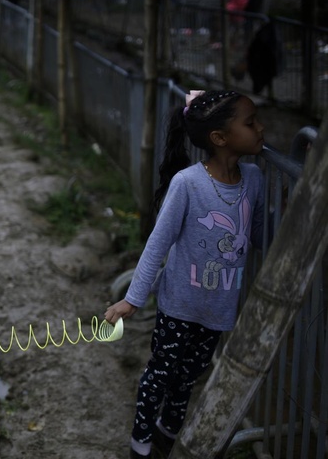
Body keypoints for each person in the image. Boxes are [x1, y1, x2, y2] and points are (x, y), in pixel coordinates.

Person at [103, 90, 265, 459]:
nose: (261, 128)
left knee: (187, 380)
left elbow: (256, 236)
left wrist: (290, 199)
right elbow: (157, 246)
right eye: (250, 122)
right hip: (178, 305)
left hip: (218, 308)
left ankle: (165, 434)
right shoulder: (188, 183)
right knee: (159, 376)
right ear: (220, 138)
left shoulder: (254, 179)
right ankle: (139, 445)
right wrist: (133, 298)